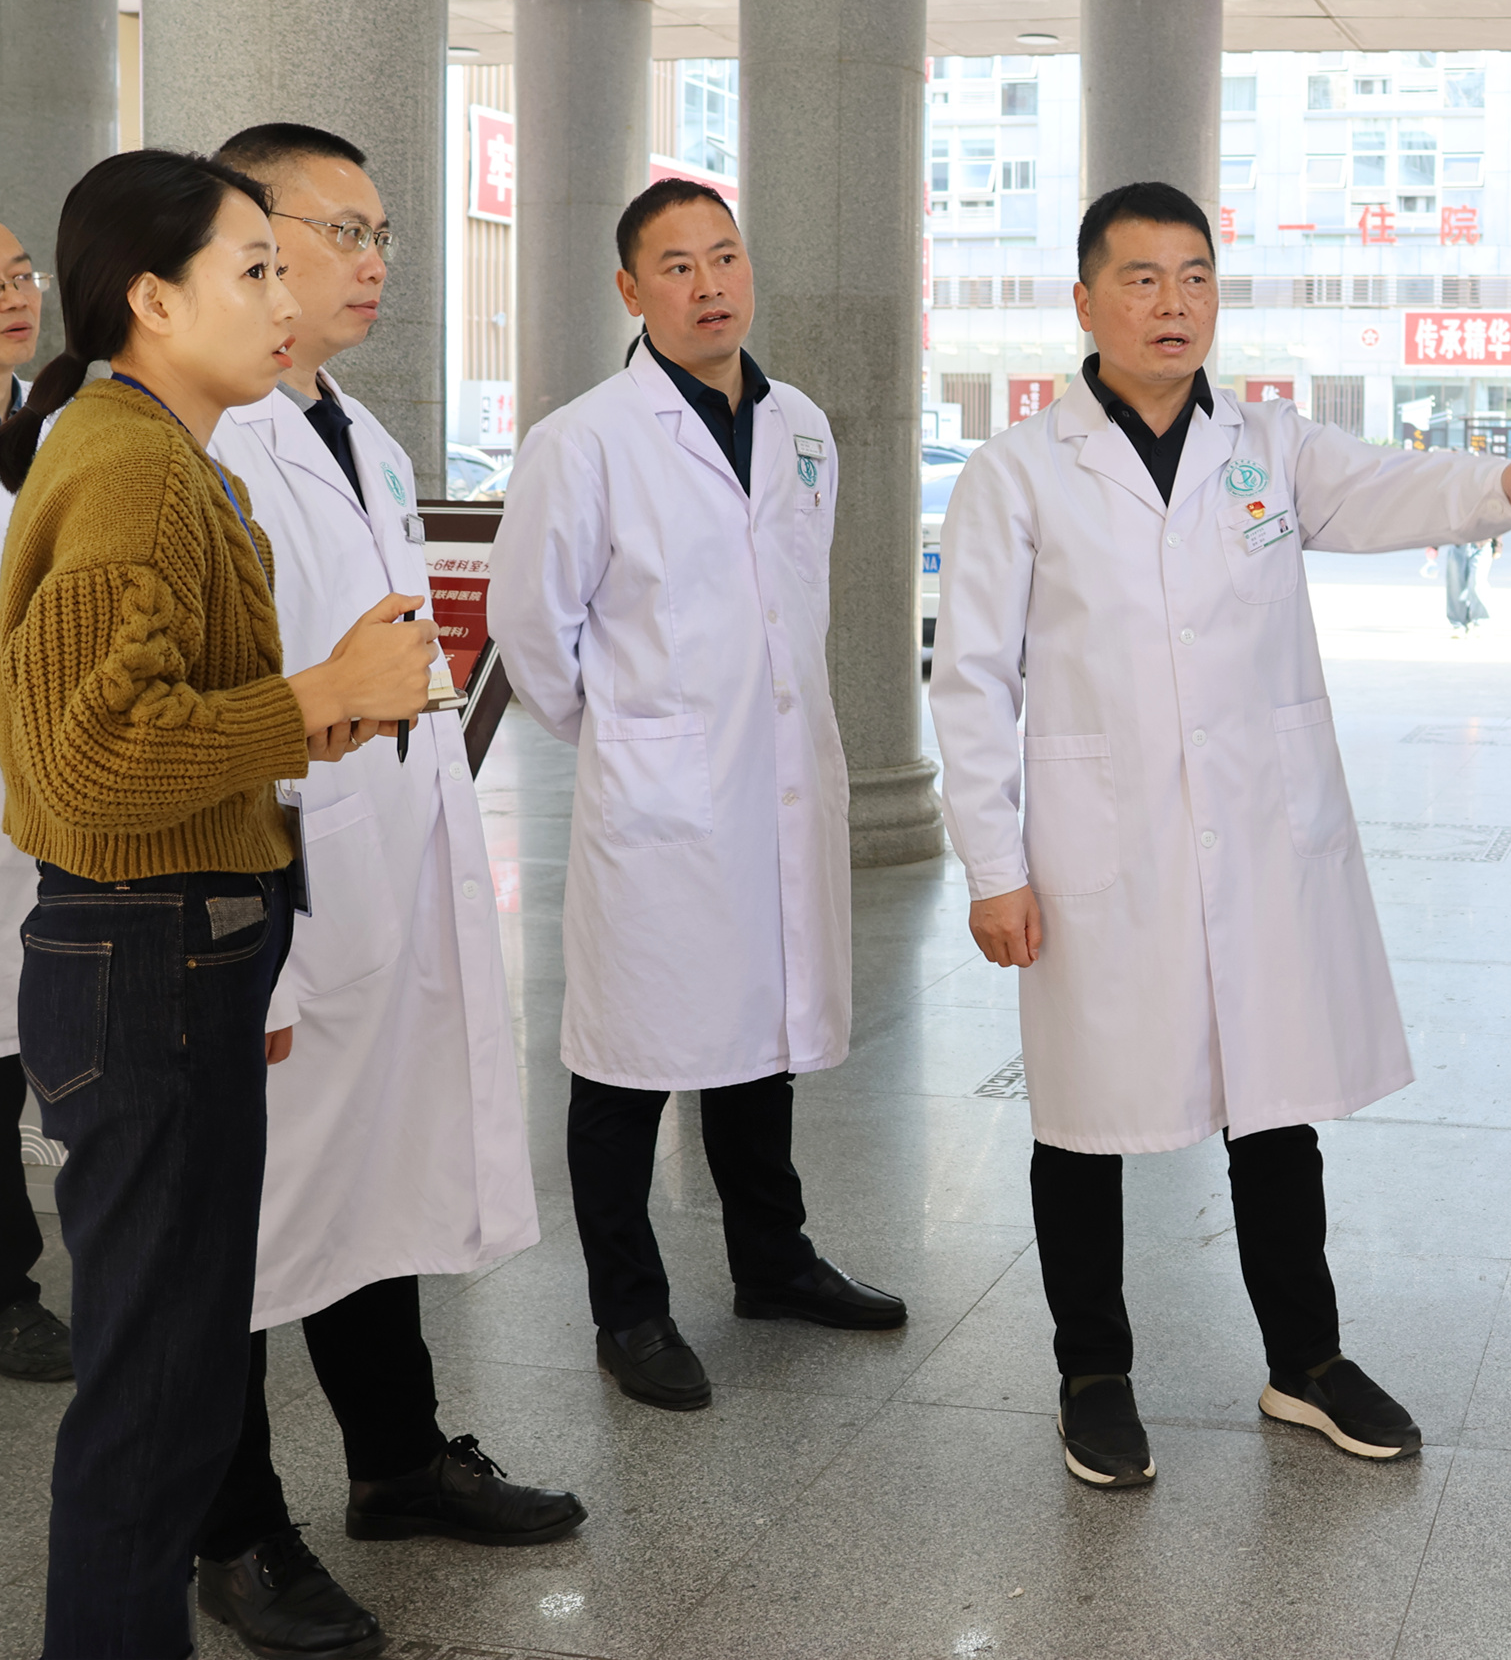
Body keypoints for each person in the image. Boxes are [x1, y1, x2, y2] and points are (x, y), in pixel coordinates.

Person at [928, 181, 1511, 1490]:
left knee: (1275, 1102)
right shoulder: (1018, 472)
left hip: (1254, 837)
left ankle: (1305, 1360)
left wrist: (1502, 489)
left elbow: (1388, 489)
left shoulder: (1267, 444)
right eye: (1140, 278)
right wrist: (994, 866)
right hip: (1100, 849)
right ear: (1084, 303)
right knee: (1082, 1115)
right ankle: (1093, 1373)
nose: (1172, 303)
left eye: (1194, 276)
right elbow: (969, 681)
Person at [0, 149, 435, 1660]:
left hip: (181, 944)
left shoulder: (162, 449)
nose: (284, 300)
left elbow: (162, 716)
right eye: (254, 270)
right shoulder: (128, 463)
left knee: (176, 1377)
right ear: (153, 298)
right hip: (149, 952)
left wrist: (310, 717)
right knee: (155, 1389)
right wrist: (313, 693)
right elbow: (89, 753)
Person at [192, 125, 580, 1658]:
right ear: (246, 238)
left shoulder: (359, 429)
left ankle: (397, 1459)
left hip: (382, 873)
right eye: (339, 230)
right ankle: (234, 1528)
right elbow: (208, 719)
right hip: (265, 905)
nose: (372, 262)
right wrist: (260, 957)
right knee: (236, 1229)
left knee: (369, 1184)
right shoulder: (208, 443)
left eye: (382, 234)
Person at [488, 178, 906, 1417]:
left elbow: (792, 601)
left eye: (725, 257)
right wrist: (633, 734)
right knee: (628, 1063)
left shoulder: (803, 426)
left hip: (774, 784)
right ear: (631, 290)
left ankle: (773, 1263)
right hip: (658, 803)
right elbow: (531, 630)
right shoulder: (584, 440)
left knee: (758, 1042)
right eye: (676, 266)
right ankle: (629, 1311)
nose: (709, 284)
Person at [0, 223, 71, 1385]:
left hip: (50, 781)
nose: (16, 295)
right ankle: (7, 1288)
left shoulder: (64, 428)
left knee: (28, 1040)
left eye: (20, 276)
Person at [1441, 535, 1489, 636]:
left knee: (1477, 582)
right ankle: (1458, 624)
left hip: (1482, 544)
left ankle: (1480, 621)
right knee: (1455, 585)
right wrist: (1434, 546)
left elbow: (1497, 525)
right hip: (1457, 544)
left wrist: (1498, 545)